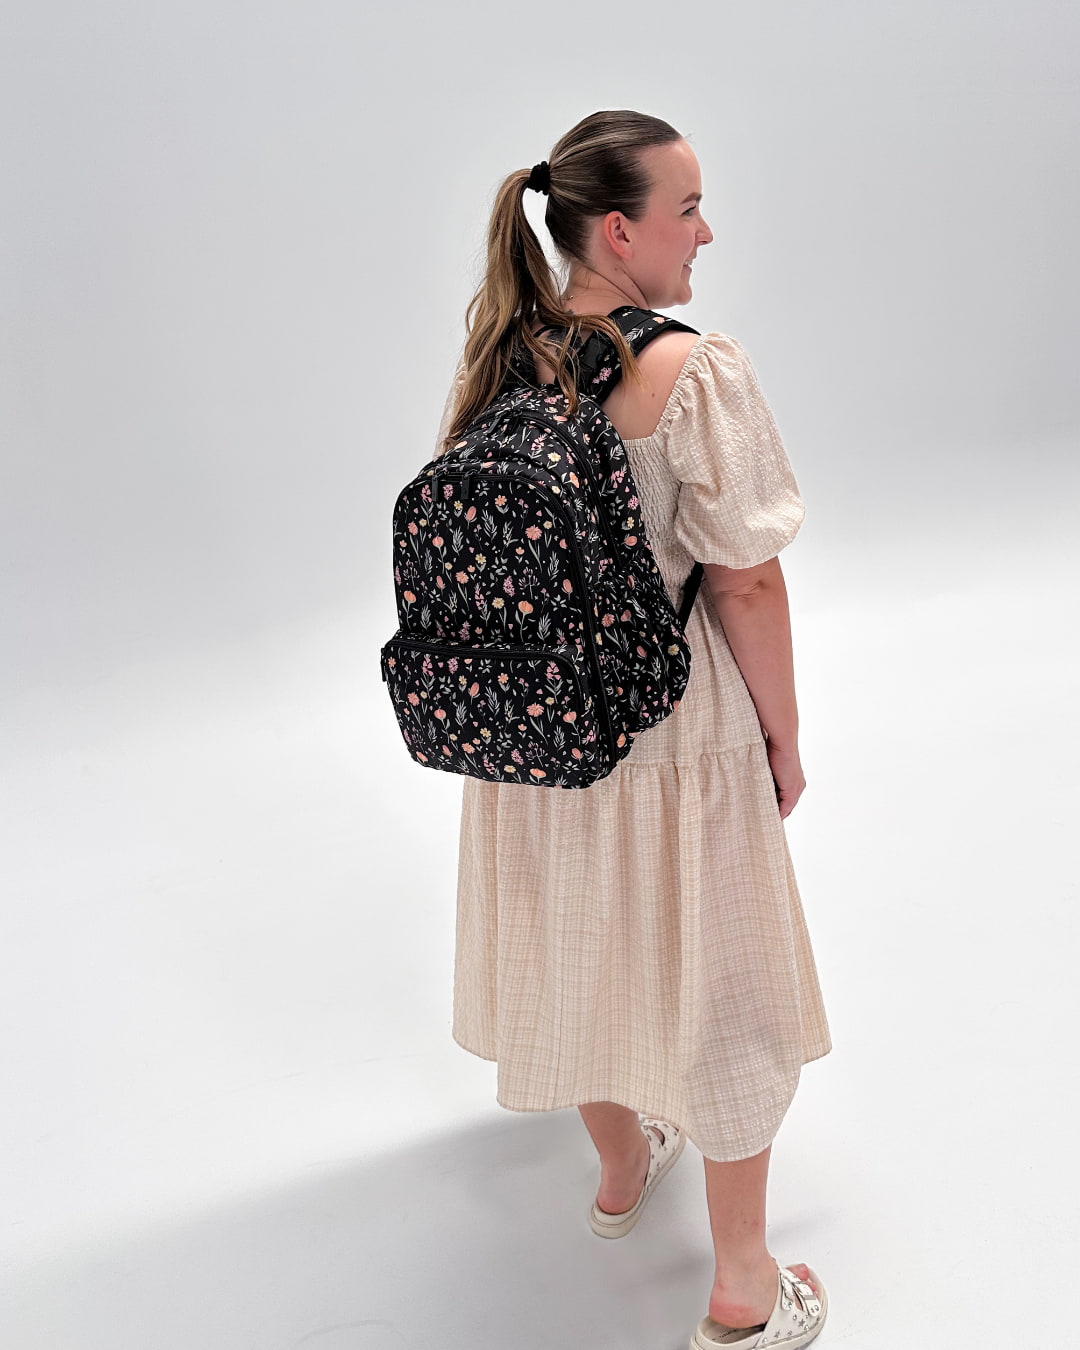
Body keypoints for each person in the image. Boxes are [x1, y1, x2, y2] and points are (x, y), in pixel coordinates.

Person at [432, 109, 832, 1350]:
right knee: (726, 992)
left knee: (579, 948)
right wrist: (783, 735)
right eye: (688, 209)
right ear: (621, 228)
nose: (704, 233)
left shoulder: (508, 346)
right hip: (671, 729)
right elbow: (745, 581)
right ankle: (743, 1287)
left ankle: (619, 1172)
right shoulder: (691, 368)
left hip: (542, 737)